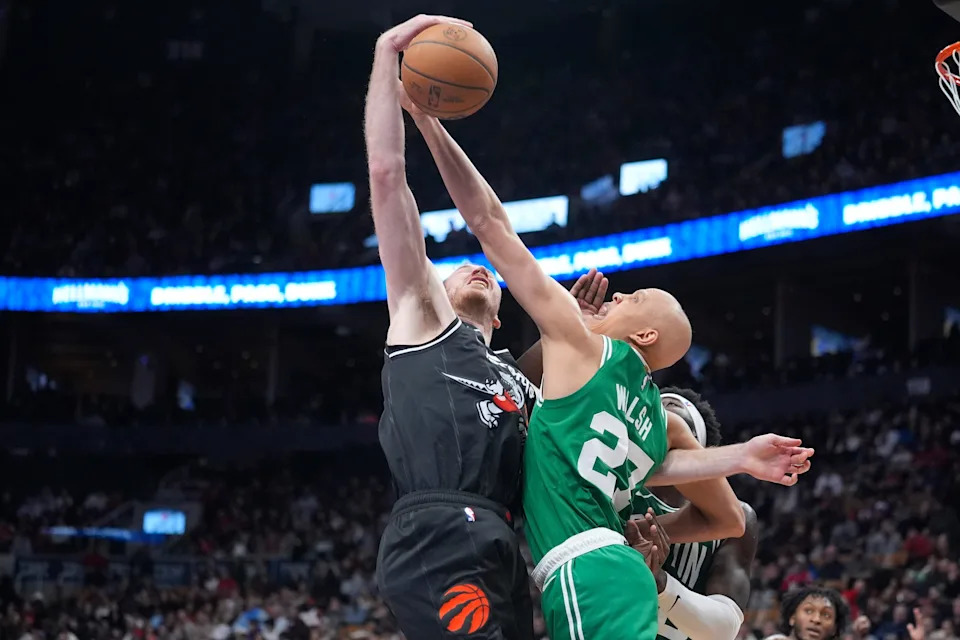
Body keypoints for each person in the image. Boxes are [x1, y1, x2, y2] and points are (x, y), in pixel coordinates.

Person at [400, 46, 815, 639]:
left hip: (587, 565)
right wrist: (741, 456)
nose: (614, 298)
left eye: (631, 298)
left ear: (644, 335)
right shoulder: (647, 411)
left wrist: (428, 123)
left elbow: (490, 223)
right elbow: (674, 471)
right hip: (610, 567)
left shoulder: (582, 344)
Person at [364, 16, 612, 640]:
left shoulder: (512, 378)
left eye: (486, 277)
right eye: (455, 271)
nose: (475, 267)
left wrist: (569, 329)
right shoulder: (423, 320)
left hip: (503, 539)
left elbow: (526, 375)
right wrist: (395, 75)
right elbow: (388, 178)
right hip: (440, 530)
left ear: (501, 317)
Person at [631, 387, 759, 640]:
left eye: (676, 428)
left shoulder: (739, 518)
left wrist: (661, 584)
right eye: (652, 421)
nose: (662, 433)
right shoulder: (614, 492)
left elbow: (723, 630)